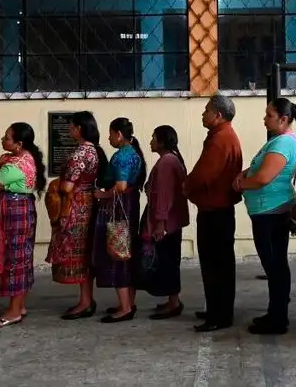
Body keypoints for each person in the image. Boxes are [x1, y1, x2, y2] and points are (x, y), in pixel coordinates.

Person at [233, 98, 296, 335]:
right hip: (270, 209)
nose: (265, 119)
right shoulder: (281, 140)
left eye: (269, 115)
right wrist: (245, 174)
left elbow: (264, 178)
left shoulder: (282, 143)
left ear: (283, 119)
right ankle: (276, 311)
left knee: (274, 265)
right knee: (276, 264)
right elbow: (259, 168)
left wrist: (242, 184)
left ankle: (278, 317)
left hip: (270, 211)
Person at [184, 94, 244, 333]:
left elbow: (203, 174)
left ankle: (219, 315)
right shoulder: (224, 136)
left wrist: (185, 186)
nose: (203, 114)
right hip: (219, 208)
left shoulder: (221, 139)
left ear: (218, 115)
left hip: (215, 210)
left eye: (206, 110)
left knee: (214, 264)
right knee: (220, 263)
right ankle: (219, 310)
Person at [0, 122, 43, 329]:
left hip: (13, 212)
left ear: (18, 143)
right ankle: (19, 305)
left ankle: (14, 311)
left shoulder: (14, 165)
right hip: (22, 208)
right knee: (21, 257)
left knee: (13, 259)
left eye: (7, 138)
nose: (3, 140)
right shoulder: (27, 158)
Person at [47, 111, 107, 320]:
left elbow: (67, 186)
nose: (69, 129)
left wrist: (56, 187)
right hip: (89, 202)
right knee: (85, 253)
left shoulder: (80, 154)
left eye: (71, 126)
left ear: (79, 129)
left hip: (76, 205)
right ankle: (86, 299)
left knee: (78, 254)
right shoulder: (95, 151)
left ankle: (85, 301)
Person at [92, 117, 147, 323]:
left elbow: (121, 187)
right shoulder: (134, 153)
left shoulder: (122, 156)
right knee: (126, 251)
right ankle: (129, 302)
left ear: (119, 134)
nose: (109, 138)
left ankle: (125, 308)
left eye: (110, 133)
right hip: (130, 206)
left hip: (118, 208)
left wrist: (101, 195)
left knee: (117, 253)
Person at [138, 125, 189, 320]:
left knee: (167, 261)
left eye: (153, 137)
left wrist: (160, 223)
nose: (150, 141)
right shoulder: (171, 159)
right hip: (171, 221)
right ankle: (172, 299)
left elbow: (163, 196)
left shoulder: (167, 162)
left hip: (166, 223)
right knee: (169, 260)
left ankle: (174, 303)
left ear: (161, 141)